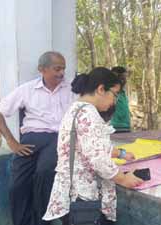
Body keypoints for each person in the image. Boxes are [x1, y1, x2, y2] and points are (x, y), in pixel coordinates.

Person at [43, 67, 143, 224]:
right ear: (101, 89)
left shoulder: (76, 109)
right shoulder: (89, 114)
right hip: (83, 196)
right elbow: (98, 159)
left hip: (71, 194)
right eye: (114, 95)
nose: (114, 101)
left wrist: (120, 153)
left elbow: (87, 147)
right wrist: (123, 179)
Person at [0, 51, 74, 225]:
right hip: (32, 139)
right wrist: (11, 142)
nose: (61, 73)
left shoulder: (71, 88)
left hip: (59, 138)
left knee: (44, 173)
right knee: (18, 185)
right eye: (57, 68)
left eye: (63, 68)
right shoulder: (27, 89)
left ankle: (41, 222)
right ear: (42, 69)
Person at [110, 66, 132, 132]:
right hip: (115, 128)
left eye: (125, 78)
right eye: (122, 78)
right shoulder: (110, 92)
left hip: (126, 128)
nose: (125, 80)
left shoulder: (123, 93)